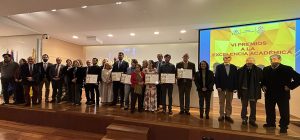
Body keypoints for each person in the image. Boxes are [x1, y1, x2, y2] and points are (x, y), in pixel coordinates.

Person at [262, 54, 300, 133]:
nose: (273, 60)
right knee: (269, 110)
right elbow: (263, 80)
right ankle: (271, 123)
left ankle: (283, 126)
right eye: (272, 59)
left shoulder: (287, 69)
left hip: (282, 94)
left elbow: (298, 78)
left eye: (275, 59)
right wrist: (263, 86)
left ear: (279, 60)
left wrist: (290, 86)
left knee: (284, 111)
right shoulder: (266, 69)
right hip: (269, 94)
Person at [237, 57, 263, 127]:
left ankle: (252, 120)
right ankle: (244, 119)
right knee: (244, 106)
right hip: (244, 91)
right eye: (248, 61)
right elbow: (238, 81)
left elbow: (262, 80)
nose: (249, 62)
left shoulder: (259, 70)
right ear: (246, 62)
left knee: (253, 107)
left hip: (254, 91)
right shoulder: (240, 70)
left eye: (251, 61)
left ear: (254, 62)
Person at [215, 55, 238, 123]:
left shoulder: (234, 67)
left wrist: (235, 87)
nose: (227, 58)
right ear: (223, 59)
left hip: (230, 88)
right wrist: (218, 86)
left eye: (228, 57)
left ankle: (228, 115)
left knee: (229, 102)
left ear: (230, 59)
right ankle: (221, 115)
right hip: (221, 88)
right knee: (221, 102)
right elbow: (217, 77)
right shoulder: (219, 67)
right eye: (225, 57)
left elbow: (235, 78)